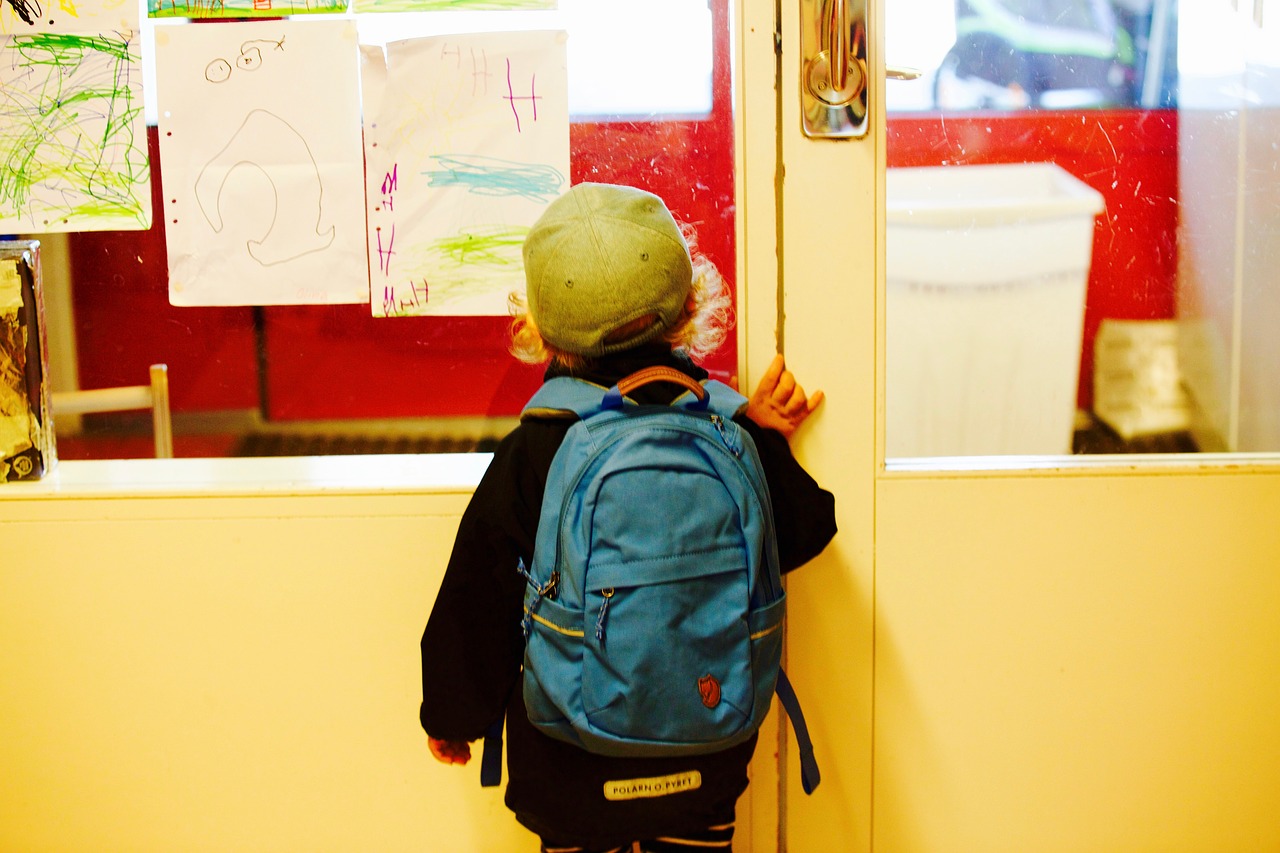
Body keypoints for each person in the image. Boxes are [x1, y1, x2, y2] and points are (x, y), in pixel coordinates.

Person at [420, 182, 837, 853]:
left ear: (537, 330)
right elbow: (807, 528)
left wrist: (451, 715)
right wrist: (762, 440)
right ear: (692, 305)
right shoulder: (726, 432)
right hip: (708, 753)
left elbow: (476, 598)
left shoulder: (536, 451)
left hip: (570, 766)